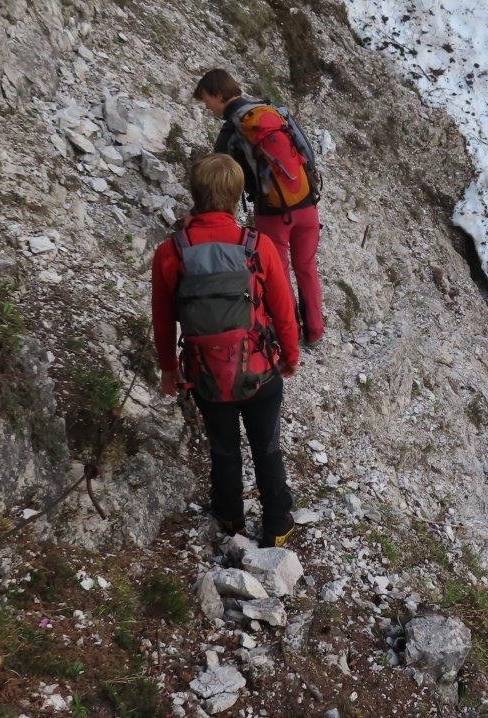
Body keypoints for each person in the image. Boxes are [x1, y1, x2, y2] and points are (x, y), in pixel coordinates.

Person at [150, 153, 301, 548]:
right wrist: (290, 356)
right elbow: (284, 311)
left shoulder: (171, 253)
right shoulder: (257, 246)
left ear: (194, 194)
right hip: (259, 370)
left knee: (223, 448)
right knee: (266, 447)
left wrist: (169, 370)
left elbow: (164, 321)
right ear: (237, 196)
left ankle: (230, 518)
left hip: (205, 374)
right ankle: (277, 525)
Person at [193, 68, 325, 346]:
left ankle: (291, 331)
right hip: (307, 205)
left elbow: (218, 182)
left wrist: (198, 215)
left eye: (208, 102)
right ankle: (315, 332)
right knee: (307, 267)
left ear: (219, 95)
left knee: (279, 272)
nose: (209, 109)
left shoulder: (232, 131)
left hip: (273, 213)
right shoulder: (274, 111)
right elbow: (307, 153)